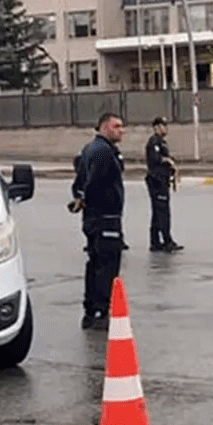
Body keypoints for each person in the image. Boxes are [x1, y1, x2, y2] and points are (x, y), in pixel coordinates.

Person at [75, 112, 127, 331]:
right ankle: (99, 311)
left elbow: (79, 179)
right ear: (105, 127)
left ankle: (90, 311)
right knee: (106, 267)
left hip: (94, 218)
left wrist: (79, 198)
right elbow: (94, 183)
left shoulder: (90, 149)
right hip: (105, 218)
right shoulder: (103, 152)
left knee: (95, 263)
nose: (121, 130)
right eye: (116, 126)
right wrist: (87, 198)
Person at [145, 116, 182, 253]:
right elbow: (156, 159)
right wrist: (167, 160)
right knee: (162, 212)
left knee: (158, 212)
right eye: (161, 126)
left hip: (163, 180)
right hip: (157, 181)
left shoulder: (162, 142)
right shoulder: (154, 141)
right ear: (156, 128)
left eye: (165, 126)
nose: (164, 129)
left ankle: (155, 242)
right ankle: (166, 241)